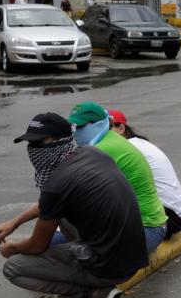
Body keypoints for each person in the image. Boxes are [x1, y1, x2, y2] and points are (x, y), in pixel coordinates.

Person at [0, 113, 148, 298]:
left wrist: (13, 248)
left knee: (14, 268)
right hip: (134, 253)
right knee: (61, 214)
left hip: (110, 266)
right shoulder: (91, 154)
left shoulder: (58, 183)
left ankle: (94, 290)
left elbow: (37, 245)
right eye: (30, 143)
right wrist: (15, 222)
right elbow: (52, 203)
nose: (33, 148)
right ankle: (93, 278)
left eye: (39, 142)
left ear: (59, 141)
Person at [67, 101, 167, 254]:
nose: (74, 132)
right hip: (148, 227)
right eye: (73, 127)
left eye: (80, 127)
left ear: (98, 124)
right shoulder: (109, 139)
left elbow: (63, 196)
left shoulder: (102, 149)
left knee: (57, 243)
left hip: (145, 231)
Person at [108, 109, 181, 239]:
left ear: (121, 128)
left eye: (107, 129)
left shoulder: (125, 150)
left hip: (166, 219)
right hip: (175, 215)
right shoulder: (138, 143)